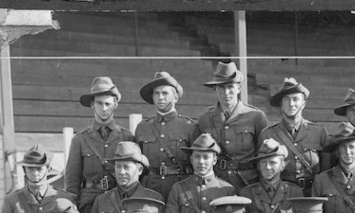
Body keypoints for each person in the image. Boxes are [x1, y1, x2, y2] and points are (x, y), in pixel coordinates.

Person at [64, 77, 135, 213]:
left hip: (119, 202)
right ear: (92, 104)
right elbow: (72, 182)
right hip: (89, 204)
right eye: (99, 103)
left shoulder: (127, 137)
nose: (104, 108)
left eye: (108, 104)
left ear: (115, 104)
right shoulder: (80, 140)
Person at [194, 61, 269, 193]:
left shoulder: (256, 117)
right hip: (215, 184)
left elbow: (263, 155)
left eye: (230, 87)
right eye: (221, 87)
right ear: (215, 89)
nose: (226, 92)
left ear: (239, 88)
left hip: (248, 183)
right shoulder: (205, 118)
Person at [164, 133, 235, 213]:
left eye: (206, 157)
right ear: (191, 159)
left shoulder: (226, 190)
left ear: (214, 160)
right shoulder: (179, 188)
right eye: (197, 157)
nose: (201, 162)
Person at [85, 142, 164, 213]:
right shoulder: (102, 200)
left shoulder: (153, 199)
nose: (121, 172)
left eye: (126, 167)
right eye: (118, 167)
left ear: (140, 170)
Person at [258, 77, 330, 195]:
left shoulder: (319, 132)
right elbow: (262, 170)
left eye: (295, 99)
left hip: (312, 194)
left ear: (303, 104)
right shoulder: (267, 135)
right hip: (281, 195)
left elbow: (327, 170)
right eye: (286, 100)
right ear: (281, 104)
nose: (291, 104)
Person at [135, 71, 195, 201]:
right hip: (150, 188)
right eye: (156, 93)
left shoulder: (189, 126)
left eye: (165, 93)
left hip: (181, 188)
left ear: (175, 97)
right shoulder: (142, 127)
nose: (160, 97)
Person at [240, 138, 303, 213]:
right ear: (258, 166)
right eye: (263, 162)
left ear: (282, 165)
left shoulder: (294, 192)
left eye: (272, 162)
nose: (267, 167)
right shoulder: (247, 194)